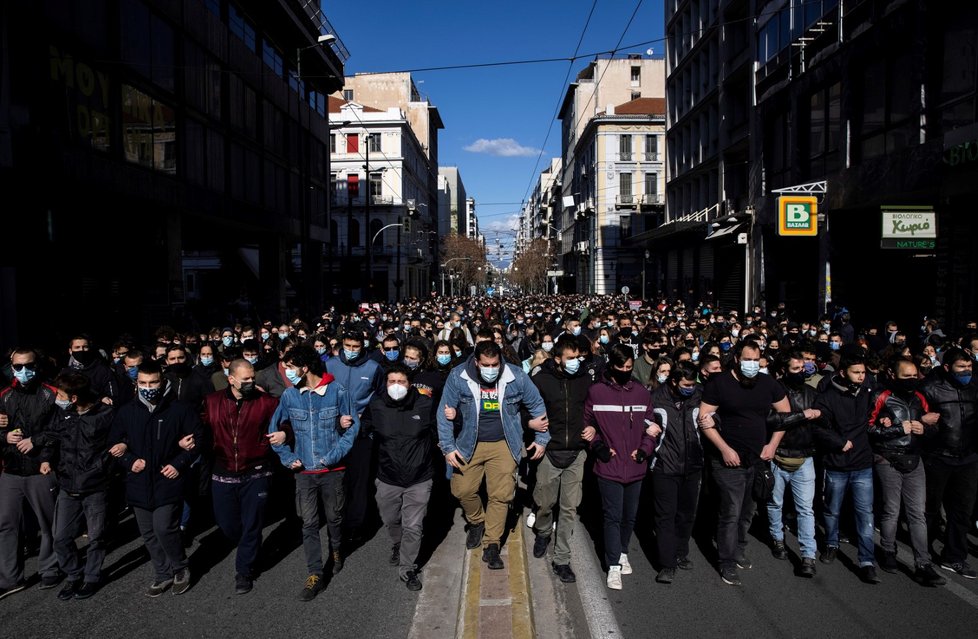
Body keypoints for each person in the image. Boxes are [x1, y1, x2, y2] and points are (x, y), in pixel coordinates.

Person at [437, 340, 549, 570]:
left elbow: (537, 405)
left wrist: (541, 439)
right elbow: (443, 413)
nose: (491, 369)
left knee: (501, 495)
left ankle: (492, 544)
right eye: (486, 364)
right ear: (476, 362)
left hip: (504, 443)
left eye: (495, 364)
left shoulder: (515, 376)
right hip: (470, 443)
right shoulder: (458, 376)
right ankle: (477, 521)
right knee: (462, 489)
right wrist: (448, 448)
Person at [268, 345, 358, 602]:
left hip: (333, 471)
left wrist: (332, 457)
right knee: (308, 523)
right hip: (304, 472)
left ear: (304, 367)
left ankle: (337, 549)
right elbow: (274, 433)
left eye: (290, 368)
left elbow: (352, 429)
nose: (287, 373)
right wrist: (288, 458)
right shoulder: (289, 396)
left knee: (334, 517)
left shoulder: (338, 392)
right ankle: (315, 573)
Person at [698, 340, 791, 587]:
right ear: (737, 359)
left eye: (756, 360)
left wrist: (772, 446)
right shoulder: (719, 383)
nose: (752, 365)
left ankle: (739, 547)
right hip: (727, 461)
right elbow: (703, 419)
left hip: (757, 461)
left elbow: (785, 416)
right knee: (730, 510)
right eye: (747, 359)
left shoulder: (768, 384)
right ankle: (726, 561)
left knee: (748, 511)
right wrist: (724, 449)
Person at [109, 361, 202, 597]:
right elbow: (114, 445)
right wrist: (129, 460)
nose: (148, 387)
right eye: (143, 383)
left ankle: (180, 567)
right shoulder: (127, 411)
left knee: (164, 527)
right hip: (138, 482)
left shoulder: (179, 409)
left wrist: (178, 463)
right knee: (148, 533)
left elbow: (196, 442)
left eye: (153, 382)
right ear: (136, 384)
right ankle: (162, 573)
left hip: (167, 479)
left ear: (163, 382)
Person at [582, 343, 658, 590]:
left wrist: (645, 450)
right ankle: (613, 564)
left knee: (629, 515)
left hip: (636, 466)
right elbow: (587, 426)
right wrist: (600, 448)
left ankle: (623, 550)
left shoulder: (641, 393)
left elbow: (651, 428)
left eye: (629, 366)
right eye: (620, 367)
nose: (625, 370)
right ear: (611, 366)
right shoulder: (597, 393)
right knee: (612, 516)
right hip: (609, 467)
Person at [201, 359, 280, 595]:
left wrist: (283, 434)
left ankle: (244, 571)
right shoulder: (212, 402)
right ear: (231, 379)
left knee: (252, 524)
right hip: (223, 472)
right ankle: (248, 545)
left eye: (252, 378)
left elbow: (283, 424)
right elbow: (200, 429)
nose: (250, 382)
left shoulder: (266, 402)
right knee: (228, 525)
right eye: (245, 379)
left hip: (256, 471)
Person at [867, 357, 945, 586]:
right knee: (891, 510)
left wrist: (925, 428)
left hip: (914, 459)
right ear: (892, 375)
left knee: (917, 514)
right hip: (887, 459)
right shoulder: (880, 396)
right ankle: (888, 551)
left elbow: (934, 427)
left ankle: (923, 564)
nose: (912, 380)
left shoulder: (920, 397)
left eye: (915, 376)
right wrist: (898, 429)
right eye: (906, 376)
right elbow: (868, 428)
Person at [528, 335, 597, 583]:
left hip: (576, 453)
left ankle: (562, 559)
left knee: (569, 508)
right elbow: (525, 408)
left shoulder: (585, 381)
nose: (576, 362)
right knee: (545, 503)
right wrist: (531, 424)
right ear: (557, 359)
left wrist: (593, 428)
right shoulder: (539, 380)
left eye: (578, 357)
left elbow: (593, 410)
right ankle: (544, 531)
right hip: (549, 451)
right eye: (570, 358)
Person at [361, 364, 435, 592]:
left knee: (413, 525)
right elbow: (364, 427)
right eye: (391, 381)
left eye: (401, 382)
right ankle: (397, 543)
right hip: (388, 477)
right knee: (391, 518)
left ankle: (407, 568)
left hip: (419, 477)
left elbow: (440, 429)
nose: (396, 386)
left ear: (409, 384)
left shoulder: (424, 404)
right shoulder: (377, 405)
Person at [46, 372, 116, 600]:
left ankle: (91, 577)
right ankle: (73, 575)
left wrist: (104, 467)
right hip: (67, 486)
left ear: (74, 397)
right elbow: (51, 436)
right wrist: (44, 457)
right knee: (61, 537)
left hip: (95, 486)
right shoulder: (64, 414)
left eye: (61, 394)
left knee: (96, 537)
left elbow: (119, 440)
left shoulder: (105, 414)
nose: (58, 397)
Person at [814, 353, 880, 584]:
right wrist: (838, 442)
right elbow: (819, 428)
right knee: (832, 510)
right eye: (856, 372)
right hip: (836, 464)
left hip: (862, 463)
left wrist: (885, 420)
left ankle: (867, 560)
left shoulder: (868, 393)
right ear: (843, 373)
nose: (862, 377)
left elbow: (876, 414)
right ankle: (831, 544)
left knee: (865, 513)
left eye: (864, 373)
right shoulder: (826, 398)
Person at [0, 348, 59, 598]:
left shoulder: (52, 394)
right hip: (11, 470)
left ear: (38, 365)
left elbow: (62, 430)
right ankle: (10, 578)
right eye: (18, 367)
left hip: (41, 468)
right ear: (11, 367)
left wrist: (37, 441)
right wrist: (4, 436)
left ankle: (50, 569)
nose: (24, 371)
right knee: (6, 524)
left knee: (48, 523)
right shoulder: (4, 396)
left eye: (29, 366)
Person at [919, 347, 978, 579]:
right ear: (947, 368)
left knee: (962, 510)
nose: (966, 371)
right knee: (930, 509)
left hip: (969, 458)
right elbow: (915, 416)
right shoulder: (929, 389)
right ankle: (923, 553)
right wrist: (923, 422)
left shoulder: (975, 387)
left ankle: (954, 557)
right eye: (960, 367)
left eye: (969, 367)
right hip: (938, 457)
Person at [766, 351, 824, 578]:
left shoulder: (812, 393)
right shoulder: (772, 392)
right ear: (783, 371)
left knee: (805, 509)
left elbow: (823, 420)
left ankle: (808, 555)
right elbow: (772, 421)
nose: (802, 372)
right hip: (778, 455)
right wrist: (803, 416)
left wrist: (818, 415)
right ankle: (777, 539)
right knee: (775, 503)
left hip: (804, 457)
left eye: (804, 367)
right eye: (796, 369)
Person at [648, 361, 703, 584]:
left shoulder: (700, 396)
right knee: (665, 516)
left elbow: (713, 418)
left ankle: (681, 552)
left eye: (693, 384)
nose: (690, 387)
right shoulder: (655, 398)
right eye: (686, 384)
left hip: (693, 465)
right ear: (674, 382)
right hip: (664, 466)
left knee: (687, 514)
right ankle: (667, 563)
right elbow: (644, 423)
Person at [326, 332, 384, 543]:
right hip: (333, 434)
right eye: (348, 345)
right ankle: (335, 521)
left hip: (362, 434)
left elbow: (379, 397)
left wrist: (365, 419)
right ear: (342, 344)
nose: (351, 350)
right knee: (336, 480)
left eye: (356, 346)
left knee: (359, 482)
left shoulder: (373, 368)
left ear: (363, 346)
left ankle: (355, 524)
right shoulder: (330, 365)